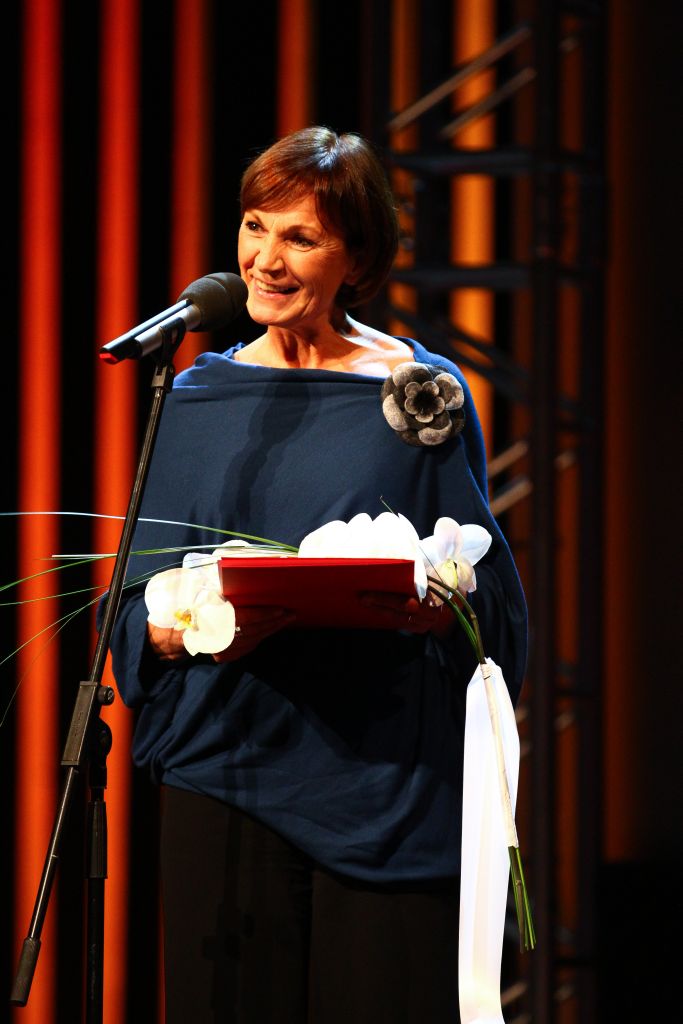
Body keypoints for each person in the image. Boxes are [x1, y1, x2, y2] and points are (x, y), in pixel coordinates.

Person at [109, 126, 527, 1023]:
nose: (265, 259)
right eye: (254, 227)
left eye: (299, 238)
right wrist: (173, 629)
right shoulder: (194, 397)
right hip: (227, 772)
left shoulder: (417, 392)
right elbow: (132, 603)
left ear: (357, 258)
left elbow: (489, 594)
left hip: (383, 784)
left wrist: (436, 603)